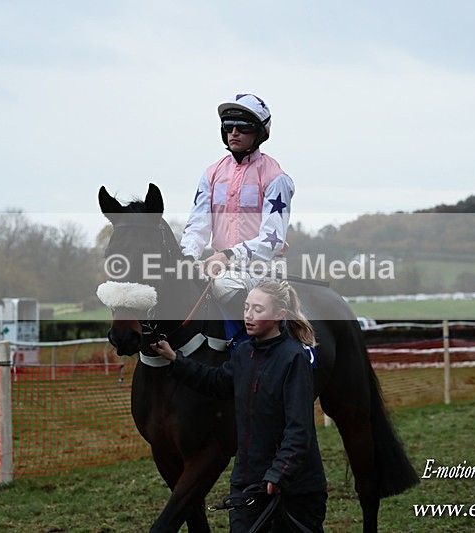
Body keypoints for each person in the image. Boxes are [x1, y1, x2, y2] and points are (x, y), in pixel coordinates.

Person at [151, 281, 326, 532]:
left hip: (294, 488)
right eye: (246, 307)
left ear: (279, 315)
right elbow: (215, 382)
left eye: (257, 309)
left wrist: (279, 474)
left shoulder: (294, 358)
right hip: (248, 481)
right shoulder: (244, 353)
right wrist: (175, 359)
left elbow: (299, 429)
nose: (248, 315)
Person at [179, 93, 295, 322]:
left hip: (262, 271)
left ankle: (255, 348)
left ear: (259, 133)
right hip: (219, 266)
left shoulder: (276, 178)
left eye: (243, 127)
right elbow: (197, 226)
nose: (234, 132)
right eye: (229, 126)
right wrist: (187, 259)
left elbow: (273, 239)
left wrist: (229, 256)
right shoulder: (211, 173)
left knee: (224, 284)